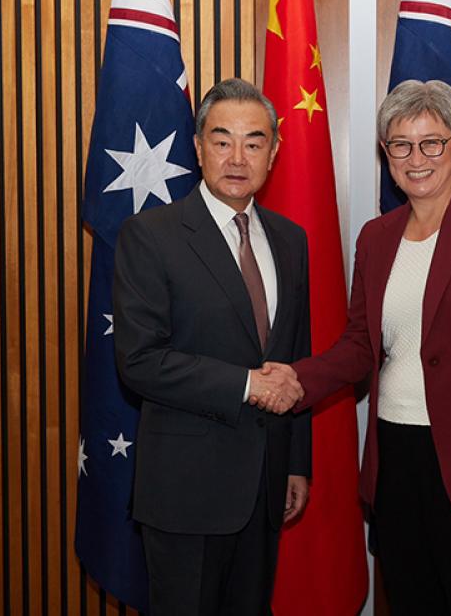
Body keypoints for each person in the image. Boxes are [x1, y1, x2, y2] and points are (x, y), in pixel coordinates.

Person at [262, 79, 451, 615]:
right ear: (387, 154)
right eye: (401, 144)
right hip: (396, 459)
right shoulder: (377, 237)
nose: (416, 158)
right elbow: (361, 344)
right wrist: (296, 379)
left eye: (432, 142)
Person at [112, 78, 312, 616]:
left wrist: (295, 463)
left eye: (254, 141)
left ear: (274, 151)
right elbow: (139, 361)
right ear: (198, 148)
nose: (237, 157)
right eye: (222, 140)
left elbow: (293, 360)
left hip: (265, 490)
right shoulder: (150, 235)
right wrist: (247, 385)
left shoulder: (291, 242)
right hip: (185, 494)